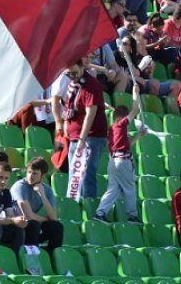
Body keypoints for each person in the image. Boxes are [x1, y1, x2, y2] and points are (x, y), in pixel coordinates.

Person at [94, 83, 145, 222]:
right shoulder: (121, 124)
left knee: (113, 190)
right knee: (129, 189)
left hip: (113, 162)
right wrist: (135, 93)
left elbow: (127, 144)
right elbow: (135, 109)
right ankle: (132, 215)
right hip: (123, 161)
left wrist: (139, 136)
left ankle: (100, 212)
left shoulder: (112, 130)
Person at [58, 60, 108, 199]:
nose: (72, 76)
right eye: (69, 74)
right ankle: (74, 210)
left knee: (86, 175)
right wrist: (65, 124)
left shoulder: (91, 85)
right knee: (74, 175)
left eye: (74, 73)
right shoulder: (73, 84)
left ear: (82, 68)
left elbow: (90, 115)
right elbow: (69, 107)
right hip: (74, 137)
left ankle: (89, 210)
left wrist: (82, 138)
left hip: (91, 137)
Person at [10, 156, 64, 255]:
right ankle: (32, 260)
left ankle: (53, 260)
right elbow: (28, 216)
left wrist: (42, 195)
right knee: (33, 224)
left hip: (32, 228)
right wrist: (46, 219)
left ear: (42, 176)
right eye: (29, 172)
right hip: (16, 227)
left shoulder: (46, 189)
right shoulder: (20, 186)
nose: (31, 176)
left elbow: (54, 217)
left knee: (57, 227)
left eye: (35, 173)